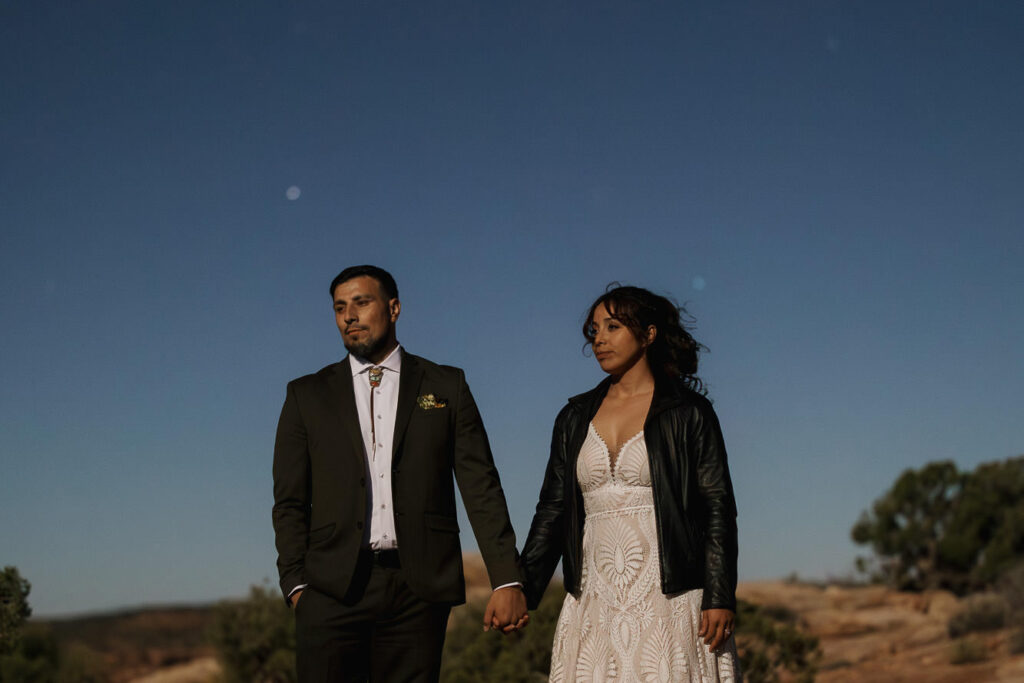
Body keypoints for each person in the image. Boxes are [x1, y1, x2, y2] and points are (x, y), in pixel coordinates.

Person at [272, 265, 528, 682]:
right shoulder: (306, 394)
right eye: (339, 307)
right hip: (330, 590)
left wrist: (505, 579)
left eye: (361, 302)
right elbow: (289, 501)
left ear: (393, 308)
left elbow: (480, 486)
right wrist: (297, 586)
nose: (349, 315)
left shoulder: (446, 386)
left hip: (418, 591)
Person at [520, 285, 741, 682]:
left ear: (648, 334)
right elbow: (553, 510)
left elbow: (717, 507)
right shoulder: (573, 417)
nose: (599, 339)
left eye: (613, 326)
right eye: (594, 330)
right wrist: (521, 590)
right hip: (595, 597)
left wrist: (719, 595)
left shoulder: (689, 412)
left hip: (671, 597)